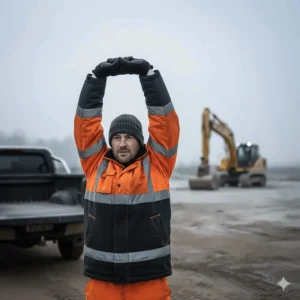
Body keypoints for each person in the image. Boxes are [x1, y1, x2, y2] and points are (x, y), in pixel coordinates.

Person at [74, 56, 180, 300]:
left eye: (129, 137)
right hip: (102, 280)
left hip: (148, 280)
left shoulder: (158, 164)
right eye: (117, 137)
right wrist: (96, 80)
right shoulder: (94, 164)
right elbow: (85, 126)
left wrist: (149, 76)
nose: (122, 143)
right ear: (109, 142)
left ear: (140, 140)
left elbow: (165, 124)